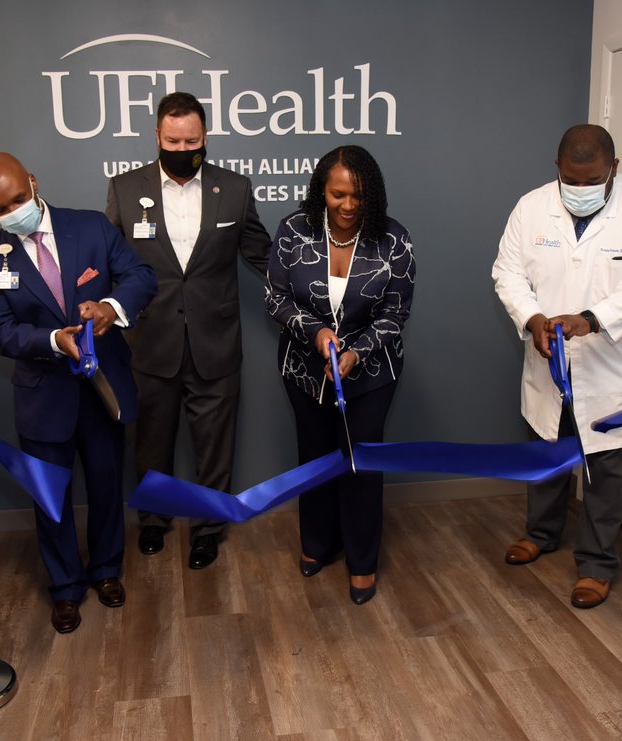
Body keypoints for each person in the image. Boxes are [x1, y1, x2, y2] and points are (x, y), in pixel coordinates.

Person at [491, 124, 622, 608]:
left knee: (607, 465)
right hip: (549, 360)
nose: (580, 191)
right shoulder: (530, 207)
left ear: (613, 169)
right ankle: (540, 533)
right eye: (571, 181)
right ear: (557, 169)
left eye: (592, 180)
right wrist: (533, 318)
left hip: (616, 368)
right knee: (546, 451)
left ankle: (597, 565)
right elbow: (507, 273)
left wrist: (591, 320)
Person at [0, 152, 156, 633]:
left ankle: (106, 571)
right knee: (51, 498)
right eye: (0, 208)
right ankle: (65, 588)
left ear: (33, 183)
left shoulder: (91, 227)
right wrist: (53, 340)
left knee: (106, 484)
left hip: (101, 389)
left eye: (18, 199)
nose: (14, 211)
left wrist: (111, 308)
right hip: (43, 396)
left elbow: (141, 277)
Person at [106, 92, 271, 569]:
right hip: (150, 340)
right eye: (173, 139)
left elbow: (261, 255)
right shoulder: (123, 187)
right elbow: (110, 259)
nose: (183, 147)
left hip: (215, 342)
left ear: (205, 138)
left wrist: (310, 282)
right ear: (157, 136)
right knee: (151, 442)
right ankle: (154, 521)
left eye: (192, 140)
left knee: (215, 446)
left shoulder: (235, 189)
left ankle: (208, 528)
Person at [266, 145, 415, 605]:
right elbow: (275, 297)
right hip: (304, 369)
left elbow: (396, 312)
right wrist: (315, 333)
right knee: (314, 458)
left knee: (361, 465)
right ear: (321, 192)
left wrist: (355, 351)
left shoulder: (394, 239)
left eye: (358, 196)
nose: (348, 205)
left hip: (370, 374)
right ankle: (318, 543)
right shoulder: (294, 230)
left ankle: (362, 561)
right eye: (338, 195)